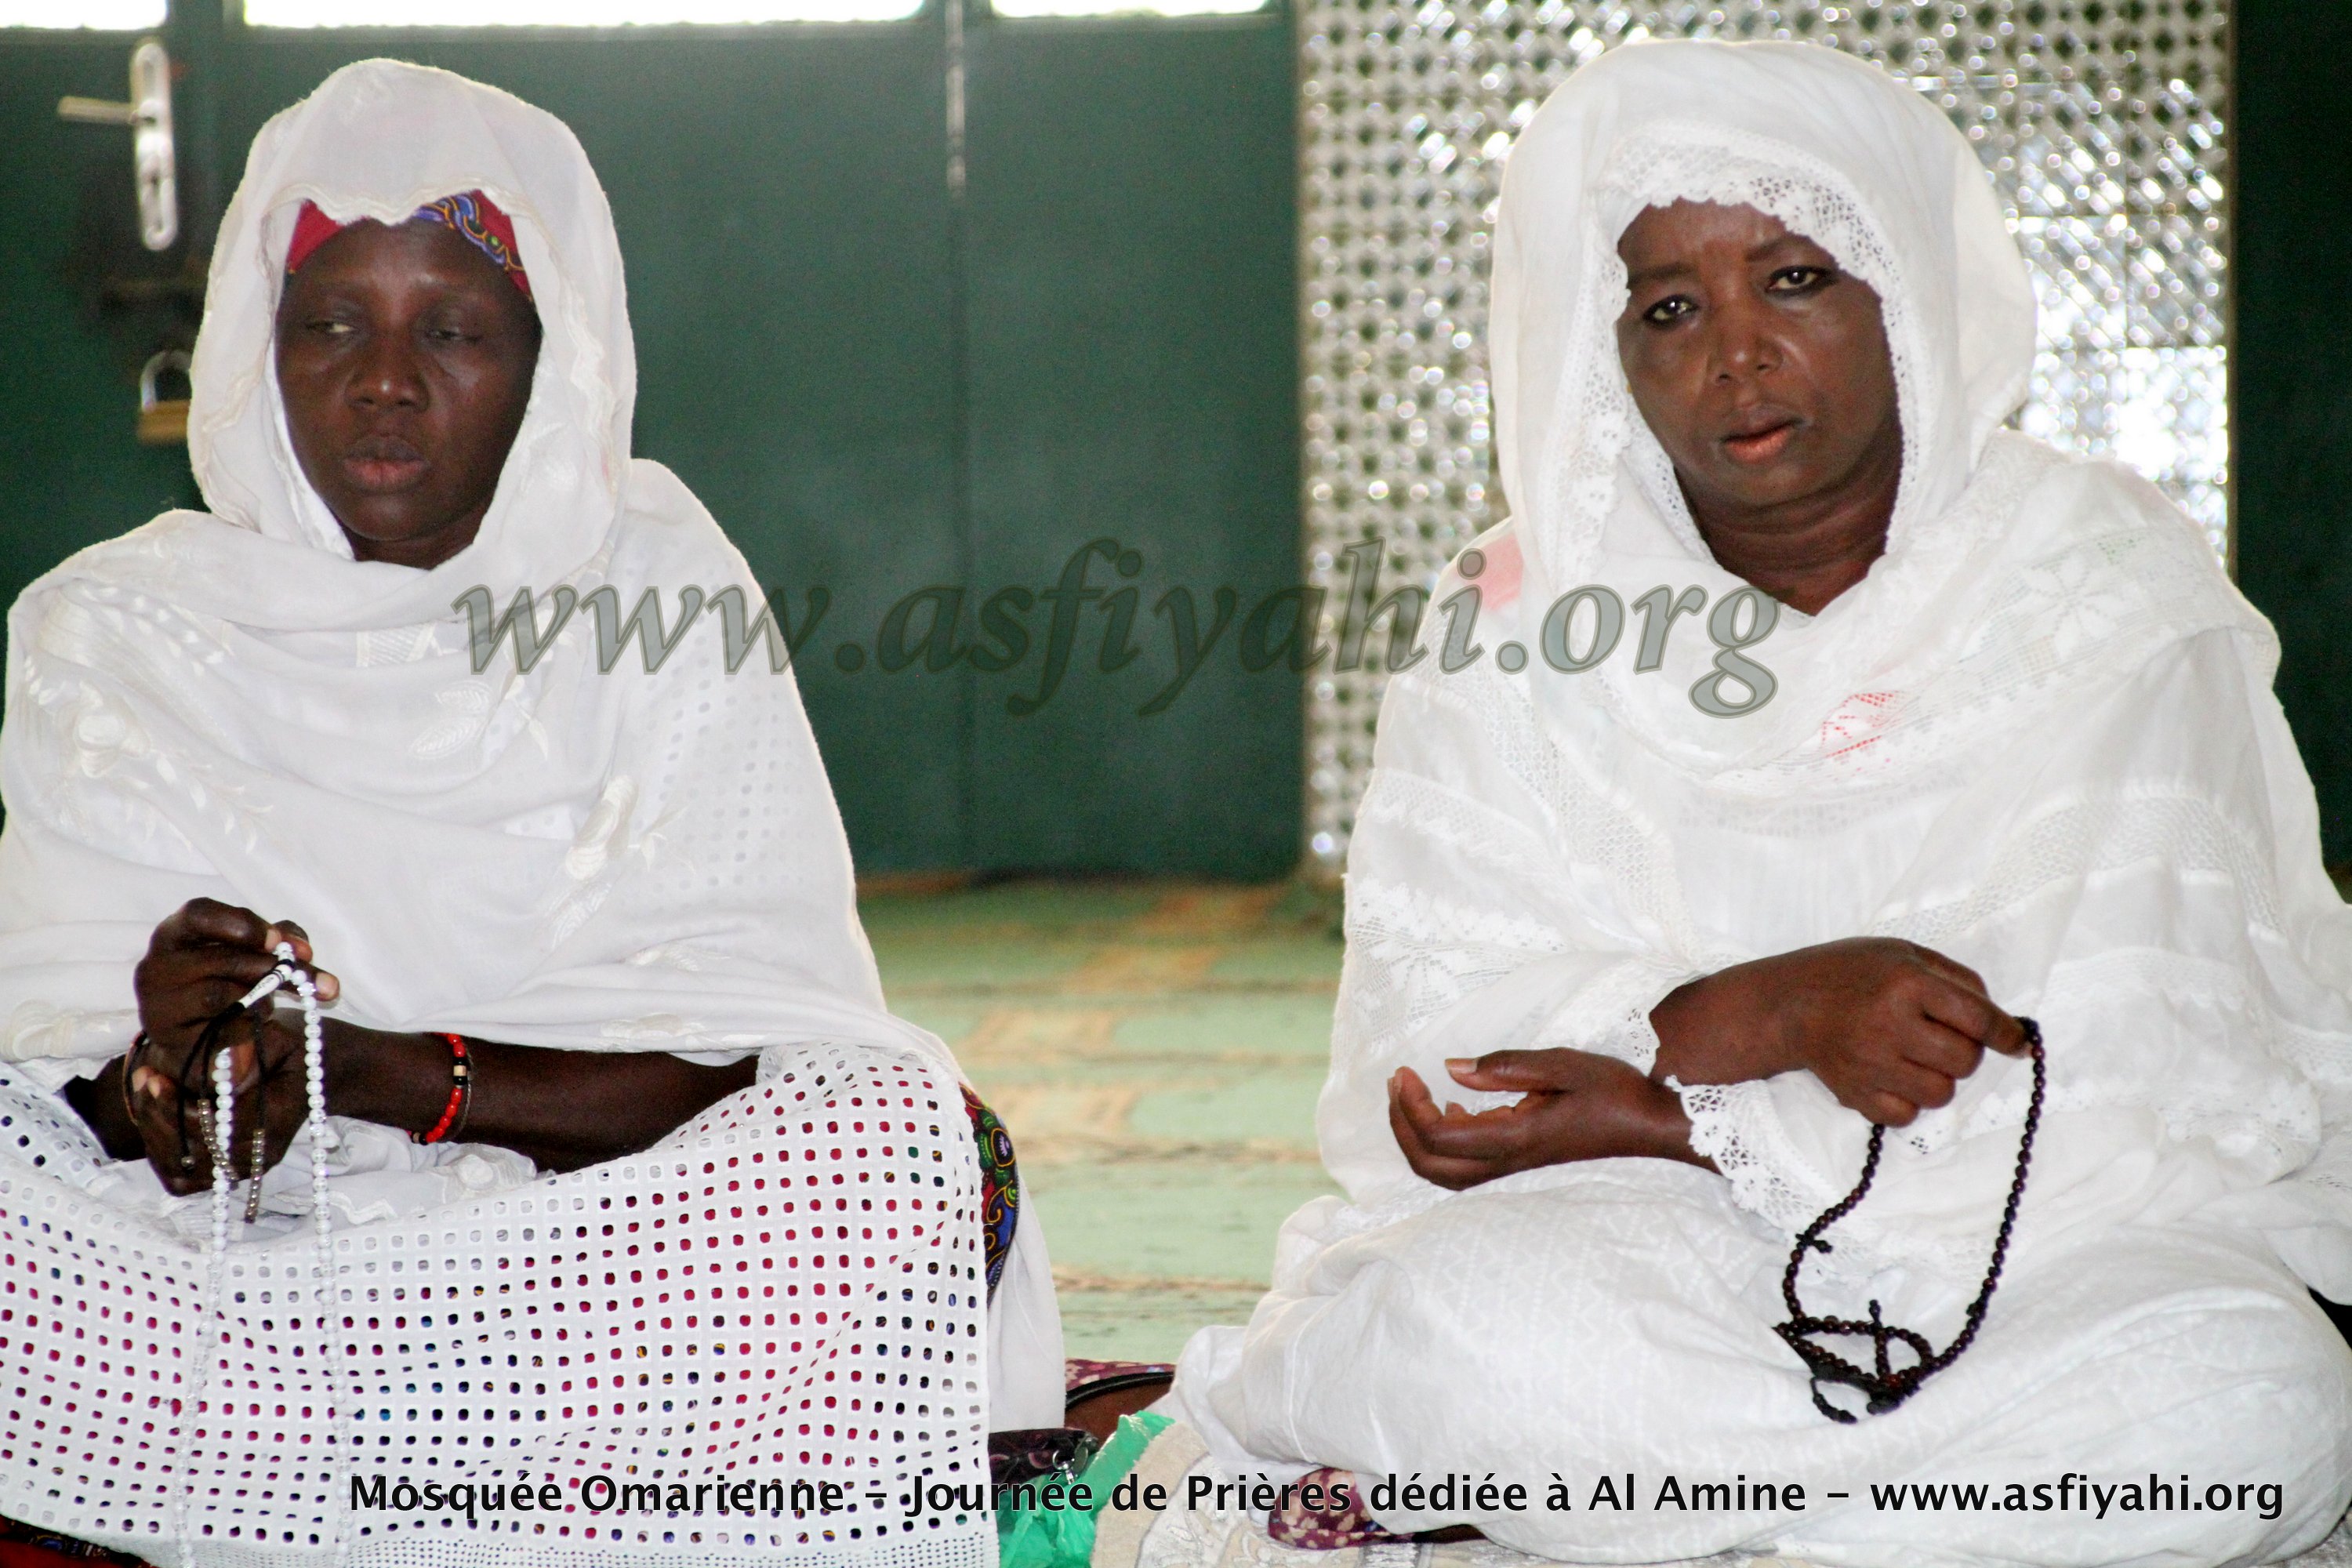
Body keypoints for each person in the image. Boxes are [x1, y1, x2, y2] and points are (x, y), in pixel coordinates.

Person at [1167, 39, 2352, 1566]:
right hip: (1647, 1242)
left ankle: (1699, 1529)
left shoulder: (2104, 585)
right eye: (1669, 307)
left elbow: (2156, 1081)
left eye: (1794, 278)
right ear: (1606, 354)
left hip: (2047, 1248)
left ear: (1903, 292)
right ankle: (1919, 1532)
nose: (1734, 353)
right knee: (1443, 1333)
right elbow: (1441, 1070)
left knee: (2241, 1401)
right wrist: (1772, 1016)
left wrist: (1682, 1107)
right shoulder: (1518, 611)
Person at [0, 59, 1059, 1568]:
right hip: (227, 1254)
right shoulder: (113, 629)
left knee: (894, 1139)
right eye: (330, 324)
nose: (383, 380)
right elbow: (75, 1099)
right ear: (255, 346)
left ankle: (267, 1480)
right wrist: (170, 1078)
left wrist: (385, 1074)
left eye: (452, 329)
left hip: (579, 1252)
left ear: (551, 363)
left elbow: (741, 1049)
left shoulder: (653, 588)